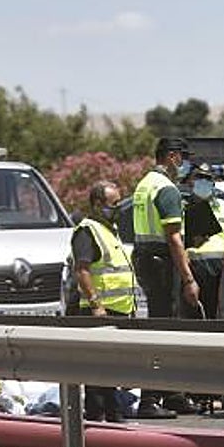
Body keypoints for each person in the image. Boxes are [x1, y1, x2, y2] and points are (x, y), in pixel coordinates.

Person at [131, 136, 200, 418]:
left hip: (146, 260)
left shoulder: (144, 184)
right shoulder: (166, 189)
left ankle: (172, 394)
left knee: (164, 327)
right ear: (172, 157)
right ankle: (150, 400)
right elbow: (174, 238)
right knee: (163, 331)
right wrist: (188, 279)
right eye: (182, 158)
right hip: (162, 263)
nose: (184, 164)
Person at [68, 180, 137, 422]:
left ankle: (113, 415)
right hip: (99, 311)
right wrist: (96, 304)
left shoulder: (109, 229)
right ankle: (97, 420)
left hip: (118, 310)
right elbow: (82, 270)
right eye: (114, 203)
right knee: (97, 372)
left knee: (111, 369)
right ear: (98, 204)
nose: (118, 208)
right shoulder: (87, 230)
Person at [182, 163, 224, 318]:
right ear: (191, 182)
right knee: (194, 318)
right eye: (199, 178)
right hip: (194, 271)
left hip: (221, 271)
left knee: (219, 318)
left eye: (207, 179)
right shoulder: (182, 208)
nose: (203, 183)